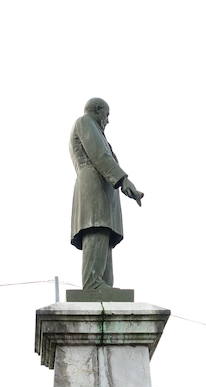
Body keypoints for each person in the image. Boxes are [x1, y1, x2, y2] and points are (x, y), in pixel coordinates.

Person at [70, 97, 144, 293]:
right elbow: (100, 154)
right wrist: (123, 179)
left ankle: (103, 284)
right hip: (93, 183)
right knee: (97, 227)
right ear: (98, 110)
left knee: (104, 234)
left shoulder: (95, 129)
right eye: (107, 115)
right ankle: (93, 283)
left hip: (101, 184)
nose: (108, 120)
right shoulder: (85, 122)